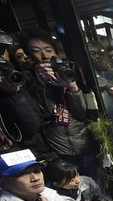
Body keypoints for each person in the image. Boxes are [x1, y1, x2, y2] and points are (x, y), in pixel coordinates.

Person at [17, 26, 98, 178]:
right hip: (58, 151)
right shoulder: (28, 80)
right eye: (36, 50)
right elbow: (40, 118)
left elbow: (81, 113)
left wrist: (71, 87)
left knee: (93, 184)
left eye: (48, 49)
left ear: (55, 51)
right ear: (28, 55)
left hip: (84, 145)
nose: (44, 55)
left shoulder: (69, 71)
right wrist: (42, 84)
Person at [43, 159, 113, 201]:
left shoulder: (86, 181)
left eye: (77, 175)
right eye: (72, 180)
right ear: (57, 184)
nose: (77, 180)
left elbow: (99, 195)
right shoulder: (54, 199)